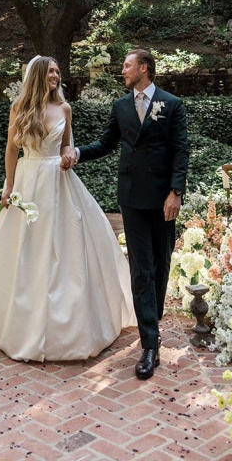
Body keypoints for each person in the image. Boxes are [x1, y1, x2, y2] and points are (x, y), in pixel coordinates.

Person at [0, 55, 136, 362]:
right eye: (50, 72)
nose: (56, 76)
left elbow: (66, 148)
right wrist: (8, 185)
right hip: (29, 181)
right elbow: (11, 149)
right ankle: (18, 321)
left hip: (58, 182)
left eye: (58, 71)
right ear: (37, 76)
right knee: (25, 248)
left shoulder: (65, 108)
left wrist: (69, 157)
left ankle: (71, 327)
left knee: (65, 248)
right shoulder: (19, 108)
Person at [61, 48, 189, 379]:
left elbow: (180, 150)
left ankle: (152, 318)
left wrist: (176, 192)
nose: (123, 70)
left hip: (163, 200)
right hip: (132, 198)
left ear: (144, 68)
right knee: (141, 268)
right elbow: (105, 144)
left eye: (127, 65)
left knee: (161, 263)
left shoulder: (171, 104)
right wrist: (76, 152)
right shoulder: (120, 106)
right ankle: (150, 344)